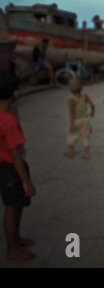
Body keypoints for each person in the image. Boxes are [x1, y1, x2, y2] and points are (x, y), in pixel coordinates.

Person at [0, 70, 37, 261]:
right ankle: (12, 249)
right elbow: (15, 153)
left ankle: (16, 238)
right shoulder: (8, 121)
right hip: (11, 169)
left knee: (16, 205)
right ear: (15, 93)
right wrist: (26, 181)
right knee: (12, 207)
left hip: (6, 166)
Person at [64, 78, 95, 159]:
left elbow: (71, 113)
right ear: (82, 88)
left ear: (70, 90)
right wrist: (92, 112)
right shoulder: (85, 97)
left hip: (76, 120)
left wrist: (72, 124)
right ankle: (87, 153)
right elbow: (92, 105)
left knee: (71, 135)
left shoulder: (71, 100)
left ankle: (72, 151)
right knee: (85, 136)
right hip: (85, 120)